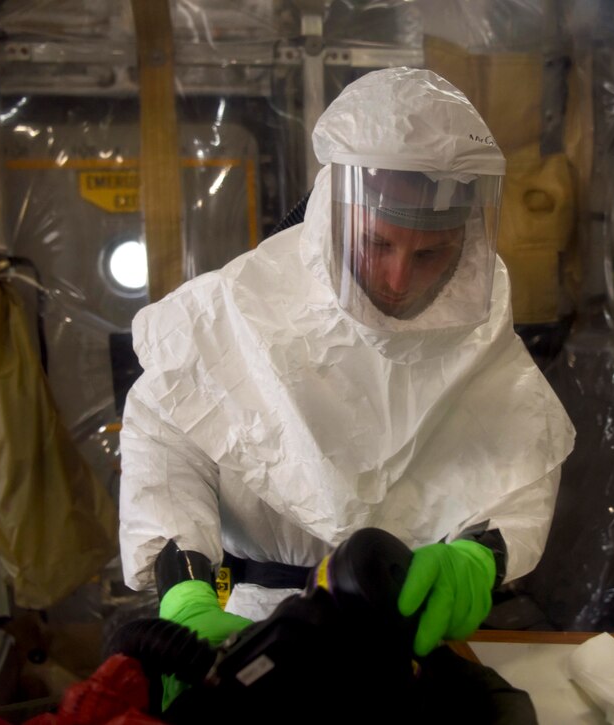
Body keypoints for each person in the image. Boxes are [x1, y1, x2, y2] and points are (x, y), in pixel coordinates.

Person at [118, 67, 575, 664]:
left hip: (399, 622)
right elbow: (169, 439)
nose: (398, 280)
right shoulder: (237, 309)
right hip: (251, 624)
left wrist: (479, 555)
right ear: (334, 215)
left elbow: (515, 454)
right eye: (378, 244)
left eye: (431, 254)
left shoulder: (474, 325)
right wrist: (184, 588)